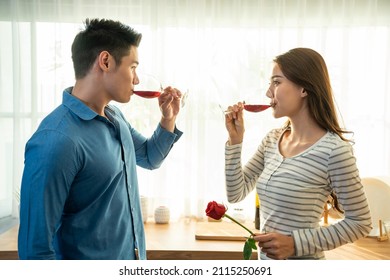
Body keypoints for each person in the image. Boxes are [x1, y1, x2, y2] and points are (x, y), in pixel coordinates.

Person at [18, 18, 183, 260]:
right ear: (105, 61)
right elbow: (35, 251)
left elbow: (149, 157)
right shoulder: (56, 140)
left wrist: (168, 119)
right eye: (133, 67)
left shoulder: (115, 117)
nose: (136, 80)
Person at [224, 48, 371, 260]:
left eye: (276, 82)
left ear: (303, 88)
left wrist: (295, 244)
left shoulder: (334, 151)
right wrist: (235, 141)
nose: (268, 93)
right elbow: (235, 193)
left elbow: (360, 222)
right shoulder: (273, 139)